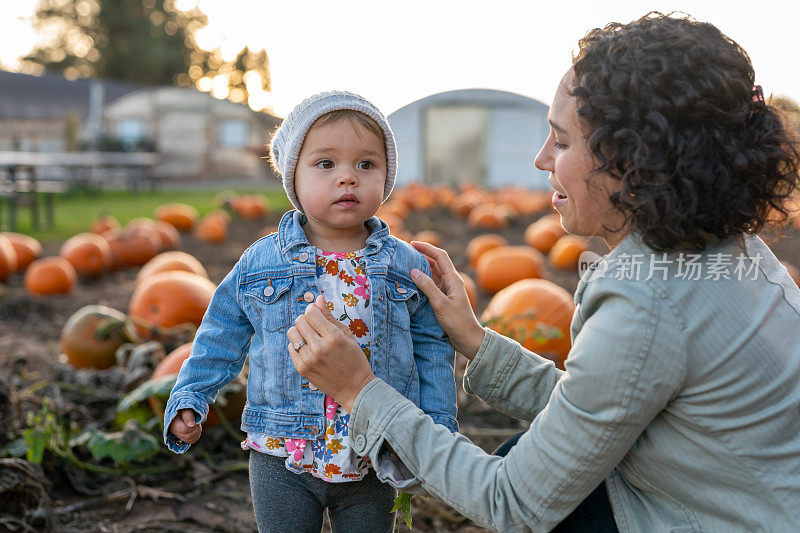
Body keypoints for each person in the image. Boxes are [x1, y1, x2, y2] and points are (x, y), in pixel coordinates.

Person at [285, 13, 800, 532]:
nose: (539, 159)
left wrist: (359, 391)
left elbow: (515, 503)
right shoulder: (729, 248)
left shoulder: (648, 300)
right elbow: (598, 406)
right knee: (530, 457)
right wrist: (474, 340)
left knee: (537, 488)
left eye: (561, 140)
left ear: (631, 161)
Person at [161, 91, 458, 532]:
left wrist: (437, 428)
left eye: (366, 164)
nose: (348, 179)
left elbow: (433, 348)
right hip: (283, 450)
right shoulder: (263, 261)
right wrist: (191, 396)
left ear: (387, 175)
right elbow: (219, 333)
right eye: (326, 164)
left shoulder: (406, 266)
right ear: (293, 177)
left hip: (376, 449)